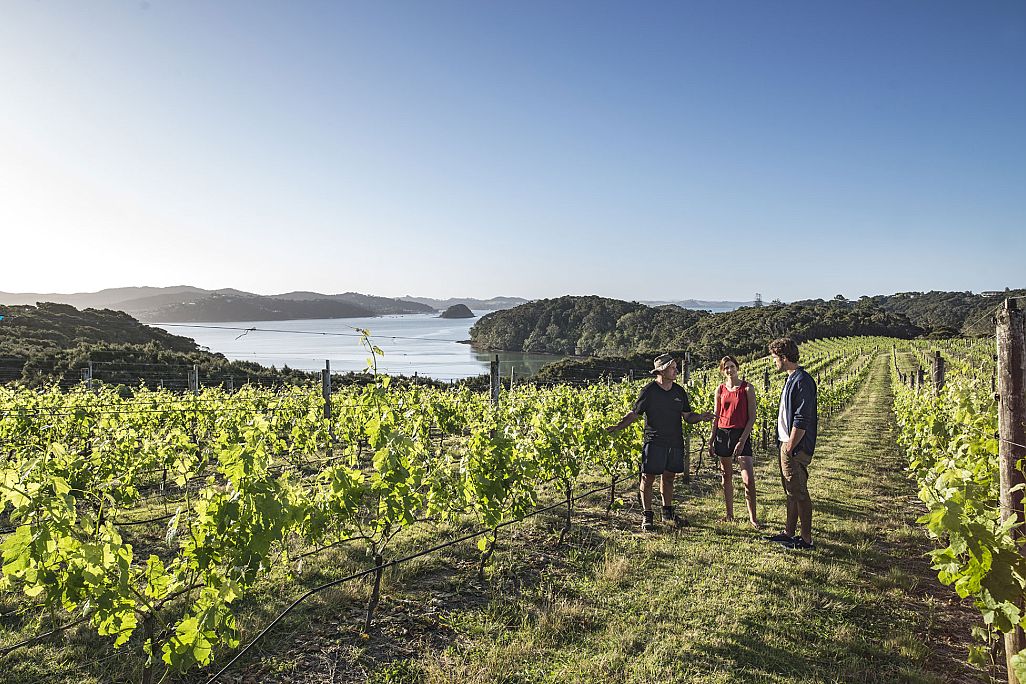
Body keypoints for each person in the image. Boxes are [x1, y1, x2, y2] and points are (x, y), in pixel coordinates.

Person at [607, 353, 714, 531]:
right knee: (648, 477)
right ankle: (647, 515)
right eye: (673, 368)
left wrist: (701, 417)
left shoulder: (679, 391)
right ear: (662, 371)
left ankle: (667, 513)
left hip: (675, 441)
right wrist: (618, 426)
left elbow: (687, 416)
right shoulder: (649, 391)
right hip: (654, 441)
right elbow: (635, 414)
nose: (676, 371)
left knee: (669, 476)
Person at [764, 337, 818, 550]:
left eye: (775, 358)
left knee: (799, 492)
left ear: (784, 358)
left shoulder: (802, 381)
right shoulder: (792, 378)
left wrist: (791, 445)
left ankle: (805, 539)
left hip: (793, 446)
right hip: (786, 443)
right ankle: (789, 533)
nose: (774, 362)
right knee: (791, 490)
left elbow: (802, 418)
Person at [708, 355, 760, 528]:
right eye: (726, 367)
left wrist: (742, 440)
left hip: (741, 434)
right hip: (723, 434)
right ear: (723, 371)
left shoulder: (747, 388)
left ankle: (753, 518)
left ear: (737, 367)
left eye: (732, 366)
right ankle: (730, 514)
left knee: (748, 479)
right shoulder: (720, 389)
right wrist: (711, 439)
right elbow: (716, 416)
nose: (730, 370)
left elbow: (752, 417)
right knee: (726, 477)